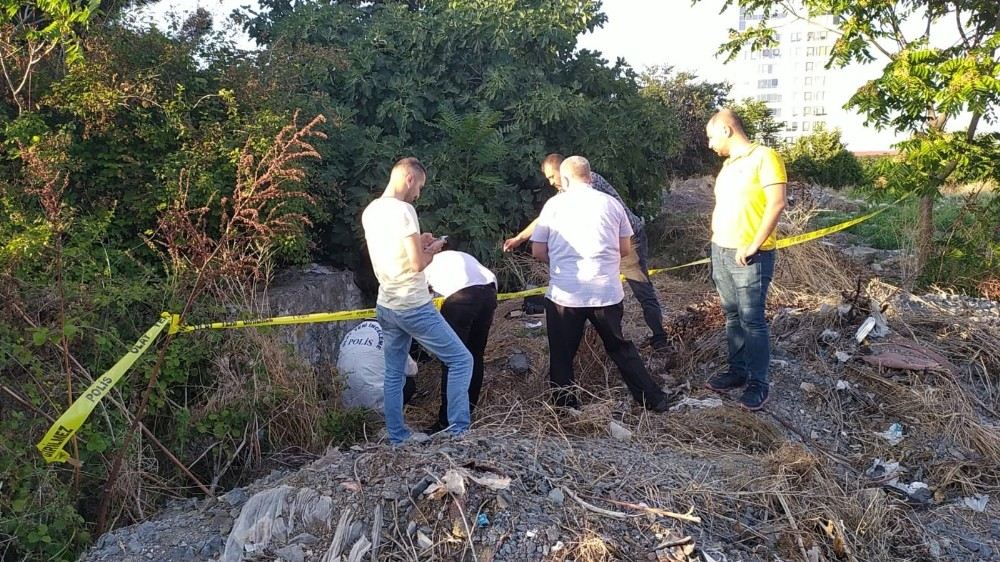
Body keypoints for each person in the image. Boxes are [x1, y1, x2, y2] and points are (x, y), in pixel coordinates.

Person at [530, 155, 670, 412]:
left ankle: (565, 408)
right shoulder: (611, 204)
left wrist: (562, 264)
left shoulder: (553, 205)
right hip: (606, 293)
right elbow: (625, 248)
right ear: (590, 176)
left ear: (567, 178)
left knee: (562, 354)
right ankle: (653, 400)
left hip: (565, 295)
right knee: (620, 347)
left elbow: (538, 251)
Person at [504, 154, 668, 350]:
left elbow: (549, 217)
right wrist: (519, 238)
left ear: (563, 173)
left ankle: (660, 339)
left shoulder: (589, 181)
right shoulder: (567, 192)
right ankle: (605, 344)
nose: (550, 182)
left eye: (551, 177)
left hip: (629, 240)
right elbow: (546, 217)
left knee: (641, 288)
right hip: (610, 242)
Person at [361, 157, 473, 443]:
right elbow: (416, 264)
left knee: (394, 373)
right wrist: (433, 249)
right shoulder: (404, 210)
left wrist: (420, 244)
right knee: (462, 360)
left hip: (386, 303)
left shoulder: (371, 211)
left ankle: (397, 437)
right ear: (409, 178)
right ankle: (459, 432)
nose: (418, 194)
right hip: (413, 304)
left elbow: (395, 252)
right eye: (420, 187)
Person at [703, 109, 787, 411]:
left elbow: (777, 203)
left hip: (750, 254)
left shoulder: (765, 156)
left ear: (726, 130)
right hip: (722, 249)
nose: (710, 145)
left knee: (752, 319)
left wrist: (754, 244)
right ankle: (737, 372)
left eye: (711, 137)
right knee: (732, 315)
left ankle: (758, 382)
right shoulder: (727, 166)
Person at [422, 240, 498, 433]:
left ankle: (447, 421)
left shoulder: (425, 264)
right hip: (489, 292)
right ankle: (468, 411)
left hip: (460, 297)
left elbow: (423, 299)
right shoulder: (460, 256)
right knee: (475, 356)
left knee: (453, 360)